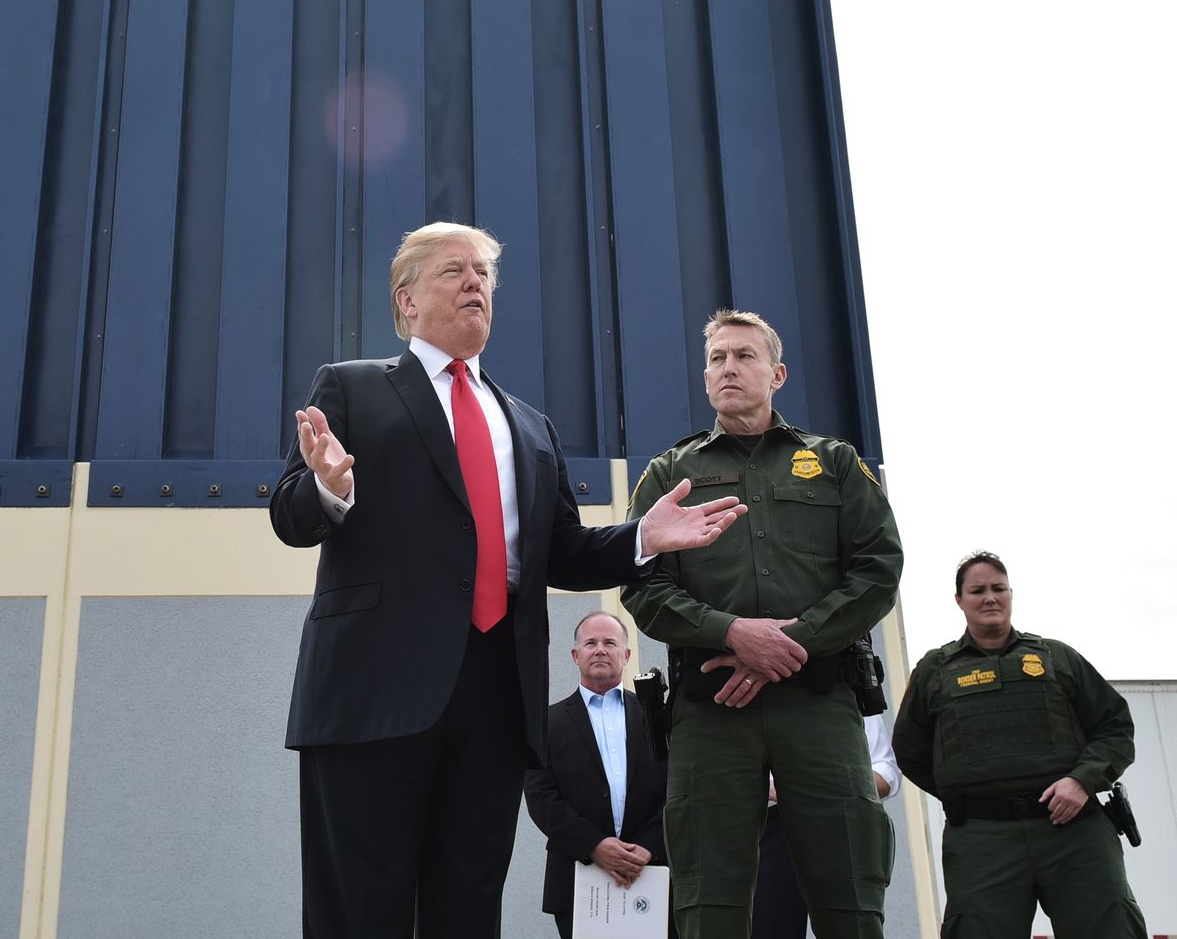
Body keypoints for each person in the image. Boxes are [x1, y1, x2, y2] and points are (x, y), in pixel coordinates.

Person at [269, 223, 747, 938]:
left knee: (468, 912)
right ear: (407, 300)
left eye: (485, 274)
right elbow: (289, 515)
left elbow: (563, 551)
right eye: (453, 270)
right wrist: (329, 488)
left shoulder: (528, 425)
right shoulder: (351, 387)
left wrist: (642, 538)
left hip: (495, 699)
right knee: (360, 912)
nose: (475, 283)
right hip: (371, 693)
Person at [621, 307, 902, 939]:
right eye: (717, 358)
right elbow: (641, 585)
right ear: (705, 378)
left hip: (819, 704)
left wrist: (789, 642)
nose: (729, 368)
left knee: (850, 894)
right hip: (713, 712)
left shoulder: (833, 462)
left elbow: (879, 568)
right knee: (708, 901)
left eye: (744, 356)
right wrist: (732, 632)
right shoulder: (670, 473)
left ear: (776, 374)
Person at [892, 551, 1147, 939]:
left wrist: (1082, 780)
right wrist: (966, 790)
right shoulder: (934, 671)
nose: (989, 598)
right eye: (977, 590)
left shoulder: (1057, 657)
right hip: (982, 839)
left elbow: (1114, 726)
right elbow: (910, 750)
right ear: (959, 600)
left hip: (1073, 831)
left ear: (1011, 593)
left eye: (998, 588)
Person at [524, 610, 671, 939]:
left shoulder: (659, 717)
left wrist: (649, 845)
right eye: (590, 643)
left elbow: (679, 788)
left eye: (610, 643)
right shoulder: (547, 723)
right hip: (577, 876)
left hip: (653, 873)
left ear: (626, 655)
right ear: (576, 655)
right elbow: (541, 797)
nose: (600, 649)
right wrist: (594, 845)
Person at [751, 713, 900, 938]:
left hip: (836, 822)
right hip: (766, 829)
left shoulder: (846, 691)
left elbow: (885, 772)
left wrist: (824, 787)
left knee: (853, 927)